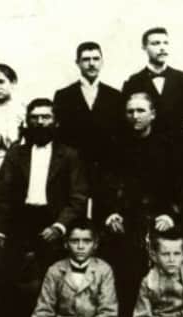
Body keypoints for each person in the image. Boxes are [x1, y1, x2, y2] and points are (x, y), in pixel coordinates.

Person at [0, 98, 89, 317]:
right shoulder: (16, 154)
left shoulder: (69, 155)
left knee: (52, 269)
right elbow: (2, 196)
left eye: (46, 117)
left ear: (55, 122)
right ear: (27, 122)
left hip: (55, 220)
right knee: (5, 263)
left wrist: (59, 226)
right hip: (21, 220)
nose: (40, 122)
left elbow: (78, 198)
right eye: (35, 118)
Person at [101, 92, 182, 317]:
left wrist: (170, 215)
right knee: (124, 266)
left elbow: (181, 187)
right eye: (130, 111)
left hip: (161, 218)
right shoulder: (115, 145)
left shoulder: (169, 146)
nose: (135, 116)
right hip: (127, 218)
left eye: (140, 111)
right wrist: (111, 213)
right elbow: (105, 184)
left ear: (153, 114)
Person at [8, 219, 124, 317]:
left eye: (87, 241)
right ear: (66, 244)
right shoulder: (55, 270)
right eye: (75, 241)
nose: (80, 246)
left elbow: (108, 313)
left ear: (95, 244)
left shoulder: (104, 270)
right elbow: (43, 311)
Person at [122, 27, 183, 189]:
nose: (162, 47)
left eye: (165, 43)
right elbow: (127, 124)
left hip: (178, 156)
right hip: (145, 156)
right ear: (144, 47)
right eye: (156, 43)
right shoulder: (133, 82)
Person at [53, 41, 123, 222]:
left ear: (102, 62)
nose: (91, 64)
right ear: (77, 63)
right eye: (86, 59)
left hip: (106, 169)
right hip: (74, 169)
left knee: (105, 218)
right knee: (74, 217)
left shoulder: (115, 96)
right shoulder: (63, 96)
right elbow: (60, 137)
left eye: (96, 59)